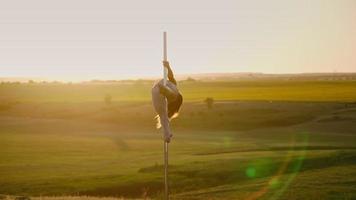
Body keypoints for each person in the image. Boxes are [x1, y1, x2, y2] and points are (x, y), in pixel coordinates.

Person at [152, 61, 183, 143]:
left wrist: (167, 136)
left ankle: (167, 135)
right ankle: (165, 90)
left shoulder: (165, 110)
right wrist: (168, 66)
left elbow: (164, 120)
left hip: (157, 90)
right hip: (162, 89)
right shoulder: (175, 89)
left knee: (163, 117)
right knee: (164, 116)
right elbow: (170, 76)